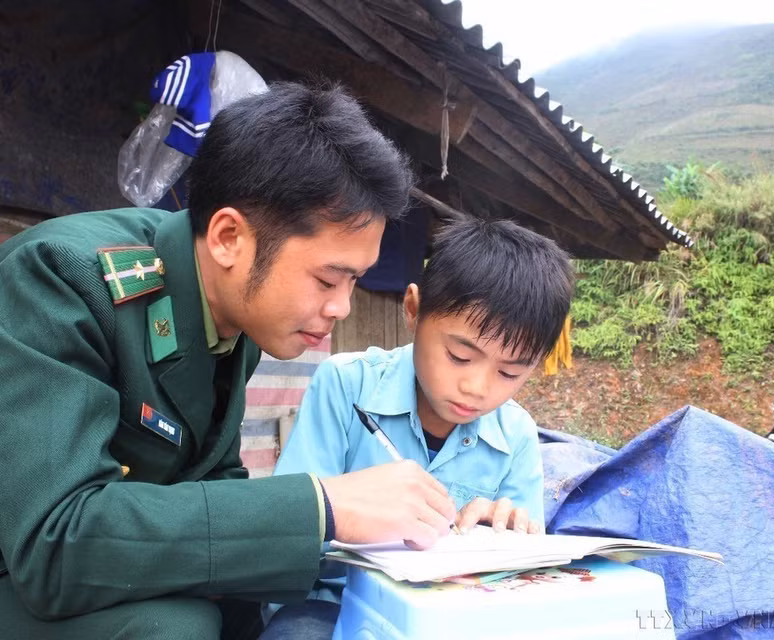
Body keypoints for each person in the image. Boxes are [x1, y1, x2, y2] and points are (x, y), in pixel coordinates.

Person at [0, 83, 457, 640]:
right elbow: (53, 541)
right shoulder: (63, 278)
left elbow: (210, 475)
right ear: (228, 237)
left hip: (87, 573)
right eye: (327, 278)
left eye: (354, 281)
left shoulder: (234, 315)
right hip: (24, 568)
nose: (340, 307)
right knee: (177, 627)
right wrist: (321, 506)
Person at [261, 216, 575, 639]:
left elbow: (521, 580)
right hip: (330, 607)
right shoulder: (346, 385)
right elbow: (284, 532)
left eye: (510, 373)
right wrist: (347, 512)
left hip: (454, 617)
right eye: (460, 357)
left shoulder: (516, 434)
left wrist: (508, 537)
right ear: (413, 310)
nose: (476, 387)